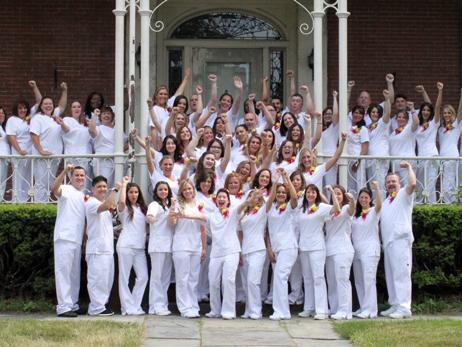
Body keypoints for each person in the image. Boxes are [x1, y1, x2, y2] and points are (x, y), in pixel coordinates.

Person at [379, 161, 416, 319]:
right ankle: (394, 304)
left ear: (399, 183)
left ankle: (404, 307)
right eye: (388, 182)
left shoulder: (403, 195)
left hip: (401, 241)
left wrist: (408, 168)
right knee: (391, 275)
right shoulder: (387, 202)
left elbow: (413, 184)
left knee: (401, 274)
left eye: (393, 181)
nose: (391, 184)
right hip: (388, 243)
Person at [205, 188, 248, 319]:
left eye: (224, 197)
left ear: (228, 200)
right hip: (216, 253)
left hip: (231, 251)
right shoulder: (211, 216)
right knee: (213, 281)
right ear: (216, 200)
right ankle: (215, 310)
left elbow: (243, 206)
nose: (221, 199)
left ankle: (228, 311)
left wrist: (251, 199)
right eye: (219, 197)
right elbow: (199, 218)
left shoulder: (233, 212)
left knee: (228, 281)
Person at [297, 184, 339, 319]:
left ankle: (322, 310)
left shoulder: (321, 207)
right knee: (307, 279)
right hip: (304, 247)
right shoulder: (301, 209)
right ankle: (309, 307)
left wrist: (332, 191)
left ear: (317, 194)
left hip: (317, 247)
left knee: (318, 278)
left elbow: (336, 208)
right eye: (308, 192)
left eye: (313, 192)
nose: (311, 195)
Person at [51, 164, 86, 317]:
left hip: (76, 239)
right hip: (64, 237)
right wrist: (64, 171)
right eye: (76, 175)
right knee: (63, 273)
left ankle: (72, 304)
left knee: (74, 274)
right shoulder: (65, 189)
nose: (79, 178)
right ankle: (63, 307)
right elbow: (54, 189)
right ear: (71, 178)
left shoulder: (84, 195)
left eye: (82, 175)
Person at [169, 180, 207, 318]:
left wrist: (203, 248)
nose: (188, 191)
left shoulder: (199, 204)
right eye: (185, 190)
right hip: (181, 246)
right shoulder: (178, 204)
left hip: (195, 246)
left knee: (193, 278)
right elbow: (172, 223)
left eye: (189, 189)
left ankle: (193, 306)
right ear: (181, 192)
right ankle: (184, 308)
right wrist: (173, 208)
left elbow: (203, 228)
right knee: (182, 278)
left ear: (193, 190)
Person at [265, 169, 298, 320]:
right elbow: (268, 231)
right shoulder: (270, 209)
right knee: (279, 279)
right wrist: (275, 181)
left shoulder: (289, 208)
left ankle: (280, 311)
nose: (281, 194)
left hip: (289, 247)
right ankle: (283, 312)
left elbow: (295, 198)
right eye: (279, 192)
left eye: (283, 193)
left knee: (280, 276)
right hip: (276, 249)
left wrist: (286, 178)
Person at [85, 176, 121, 316]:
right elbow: (107, 205)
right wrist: (116, 189)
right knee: (97, 279)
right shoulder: (91, 202)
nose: (102, 189)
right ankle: (96, 307)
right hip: (97, 250)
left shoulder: (103, 204)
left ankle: (101, 306)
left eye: (104, 186)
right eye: (99, 187)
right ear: (93, 189)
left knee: (106, 279)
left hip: (107, 249)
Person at [117, 176, 148, 315]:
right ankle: (126, 307)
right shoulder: (124, 209)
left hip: (139, 248)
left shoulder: (142, 208)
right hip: (126, 246)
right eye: (131, 192)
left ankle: (135, 305)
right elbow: (122, 201)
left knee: (143, 277)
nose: (133, 195)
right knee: (124, 277)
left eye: (136, 192)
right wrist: (124, 185)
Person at [351, 181, 382, 319]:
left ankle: (371, 310)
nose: (363, 199)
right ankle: (363, 307)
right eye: (361, 197)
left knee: (369, 280)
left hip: (370, 250)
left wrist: (377, 190)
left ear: (370, 199)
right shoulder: (355, 215)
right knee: (359, 280)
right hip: (357, 251)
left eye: (366, 197)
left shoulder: (373, 212)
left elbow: (379, 206)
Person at [325, 185, 355, 320]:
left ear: (343, 196)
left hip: (343, 250)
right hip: (329, 250)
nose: (336, 196)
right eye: (334, 193)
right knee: (332, 281)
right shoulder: (330, 211)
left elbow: (352, 209)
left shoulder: (345, 209)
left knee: (342, 279)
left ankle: (345, 310)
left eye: (339, 194)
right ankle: (335, 308)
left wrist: (352, 200)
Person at [147, 181, 175, 316]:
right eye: (160, 190)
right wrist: (151, 219)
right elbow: (150, 216)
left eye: (165, 189)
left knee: (165, 278)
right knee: (157, 277)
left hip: (168, 246)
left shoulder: (169, 206)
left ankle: (161, 304)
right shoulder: (154, 205)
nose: (163, 192)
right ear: (156, 192)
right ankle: (155, 306)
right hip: (157, 246)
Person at [239, 188, 267, 319]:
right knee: (245, 283)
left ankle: (256, 311)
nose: (253, 199)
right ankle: (248, 310)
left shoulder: (262, 211)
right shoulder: (243, 214)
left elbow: (270, 201)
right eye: (250, 196)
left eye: (255, 197)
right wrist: (239, 252)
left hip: (258, 249)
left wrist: (261, 195)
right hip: (245, 250)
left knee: (253, 281)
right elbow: (240, 234)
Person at [30, 96, 64, 202]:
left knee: (49, 183)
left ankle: (46, 206)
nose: (48, 106)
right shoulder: (37, 118)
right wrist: (40, 150)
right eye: (45, 104)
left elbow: (62, 105)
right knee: (41, 183)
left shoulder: (54, 119)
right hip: (42, 157)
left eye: (50, 104)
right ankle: (40, 207)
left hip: (53, 158)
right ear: (41, 106)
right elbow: (33, 134)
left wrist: (64, 90)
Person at [6, 99, 33, 202]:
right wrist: (19, 150)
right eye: (20, 108)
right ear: (16, 110)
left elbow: (39, 101)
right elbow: (11, 137)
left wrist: (34, 87)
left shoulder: (28, 120)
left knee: (27, 178)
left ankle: (25, 202)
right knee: (18, 178)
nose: (23, 110)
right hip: (18, 154)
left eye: (25, 108)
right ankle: (17, 202)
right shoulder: (12, 120)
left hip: (30, 154)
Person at [0, 106, 10, 200]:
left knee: (2, 182)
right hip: (0, 157)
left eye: (2, 113)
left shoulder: (3, 128)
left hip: (4, 158)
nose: (1, 115)